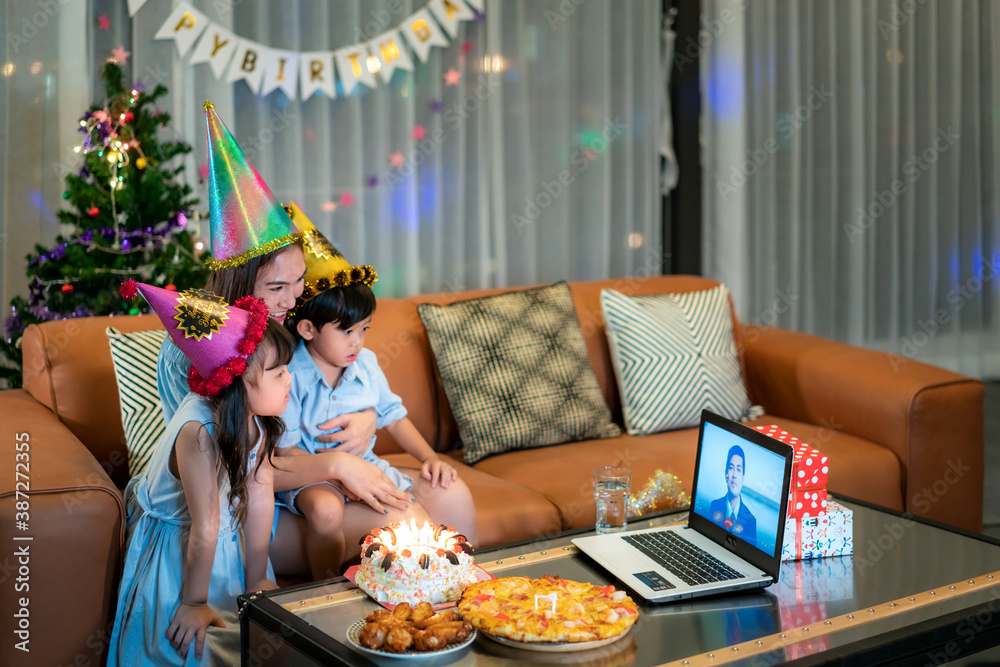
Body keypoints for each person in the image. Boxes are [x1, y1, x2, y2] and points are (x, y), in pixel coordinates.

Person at [155, 103, 380, 577]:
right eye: (276, 288)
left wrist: (369, 415)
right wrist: (335, 465)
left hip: (261, 489)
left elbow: (341, 374)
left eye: (299, 282)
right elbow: (231, 460)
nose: (292, 299)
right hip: (214, 504)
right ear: (240, 286)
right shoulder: (193, 353)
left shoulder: (291, 326)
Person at [275, 203, 478, 579]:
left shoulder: (364, 363)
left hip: (366, 466)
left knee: (406, 505)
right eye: (347, 332)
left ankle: (430, 580)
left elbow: (394, 417)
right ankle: (323, 583)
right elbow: (285, 450)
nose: (357, 342)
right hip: (312, 475)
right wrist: (337, 475)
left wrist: (429, 457)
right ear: (307, 330)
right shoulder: (290, 374)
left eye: (364, 329)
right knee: (326, 511)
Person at [108, 281, 293, 665]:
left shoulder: (259, 421)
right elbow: (204, 525)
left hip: (224, 543)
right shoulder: (198, 431)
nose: (290, 380)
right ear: (241, 381)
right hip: (178, 548)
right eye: (279, 373)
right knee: (190, 649)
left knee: (251, 643)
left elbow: (260, 497)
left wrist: (257, 578)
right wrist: (194, 601)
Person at [709, 444, 757, 547]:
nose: (734, 475)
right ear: (726, 475)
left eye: (739, 470)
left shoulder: (751, 521)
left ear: (743, 479)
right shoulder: (714, 505)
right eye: (731, 468)